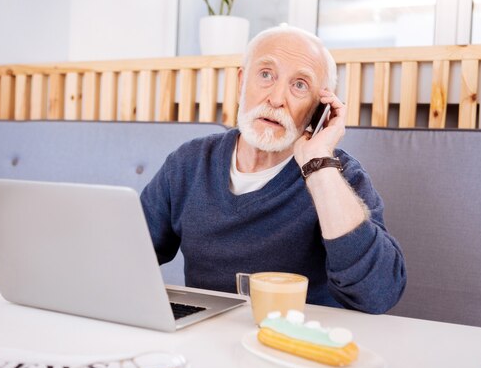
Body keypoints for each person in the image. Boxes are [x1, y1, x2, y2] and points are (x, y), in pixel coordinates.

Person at [141, 25, 406, 314]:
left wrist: (318, 164)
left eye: (300, 85)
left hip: (296, 343)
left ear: (320, 108)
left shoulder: (339, 175)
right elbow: (128, 252)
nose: (277, 98)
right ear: (242, 81)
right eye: (266, 75)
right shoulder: (188, 163)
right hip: (204, 337)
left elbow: (378, 293)